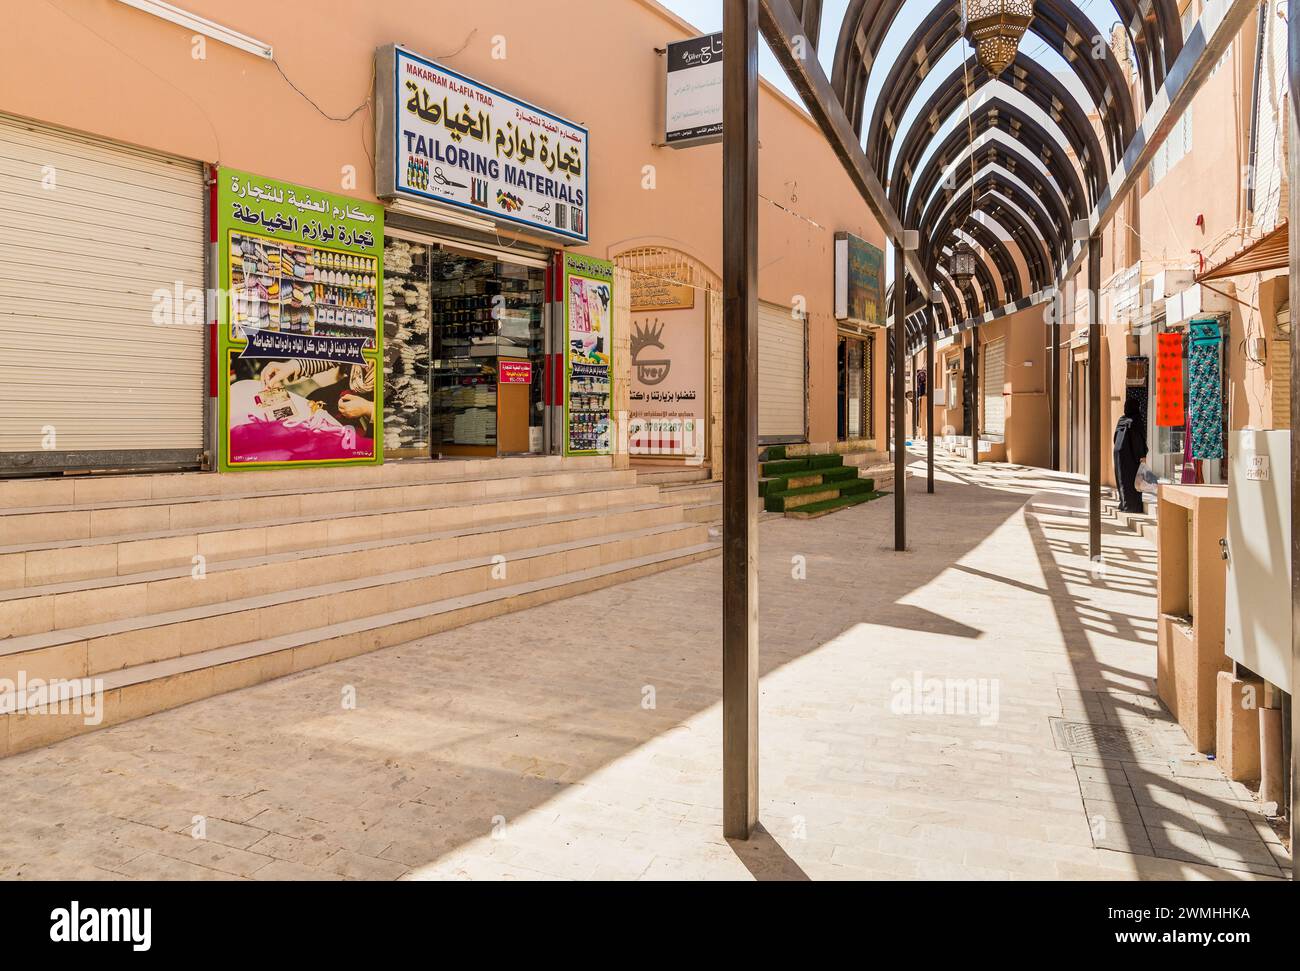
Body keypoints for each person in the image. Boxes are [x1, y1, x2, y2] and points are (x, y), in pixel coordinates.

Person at [1113, 397, 1148, 513]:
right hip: (1130, 454)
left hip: (1118, 453)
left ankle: (1124, 503)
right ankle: (1132, 506)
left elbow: (1115, 437)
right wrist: (1142, 455)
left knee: (1122, 479)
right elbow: (1137, 439)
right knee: (1132, 480)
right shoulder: (1135, 420)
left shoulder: (1121, 420)